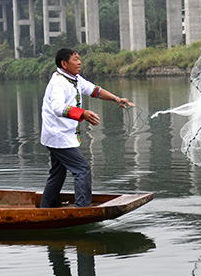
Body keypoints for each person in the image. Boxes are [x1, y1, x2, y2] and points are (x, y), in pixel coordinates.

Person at [40, 48, 134, 208]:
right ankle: (82, 208)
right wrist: (82, 113)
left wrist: (116, 99)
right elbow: (57, 107)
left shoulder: (74, 78)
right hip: (58, 136)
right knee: (82, 169)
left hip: (60, 135)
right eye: (75, 59)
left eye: (79, 59)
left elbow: (94, 90)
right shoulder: (59, 82)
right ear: (64, 64)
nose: (79, 62)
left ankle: (46, 208)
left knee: (57, 173)